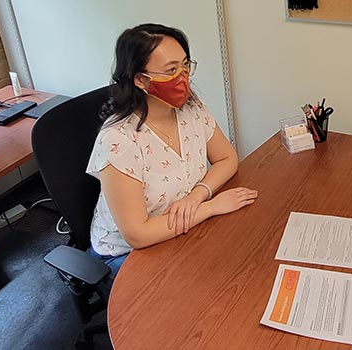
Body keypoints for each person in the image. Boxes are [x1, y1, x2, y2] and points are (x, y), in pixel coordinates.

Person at [86, 24, 258, 277]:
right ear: (140, 79)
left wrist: (197, 195)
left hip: (182, 230)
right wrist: (210, 207)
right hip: (127, 255)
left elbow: (227, 158)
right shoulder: (118, 140)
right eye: (171, 70)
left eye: (185, 66)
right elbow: (137, 234)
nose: (183, 77)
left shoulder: (191, 108)